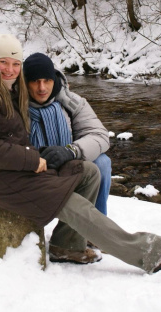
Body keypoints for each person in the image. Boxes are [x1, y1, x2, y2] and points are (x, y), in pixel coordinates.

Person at [0, 33, 161, 273]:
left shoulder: (5, 90)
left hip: (15, 170)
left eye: (15, 64)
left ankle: (66, 246)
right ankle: (148, 252)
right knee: (72, 203)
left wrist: (53, 153)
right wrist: (32, 158)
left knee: (89, 171)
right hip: (2, 180)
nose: (10, 69)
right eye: (3, 62)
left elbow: (10, 138)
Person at [23, 52, 112, 216]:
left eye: (47, 80)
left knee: (102, 162)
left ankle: (96, 225)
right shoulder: (15, 107)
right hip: (32, 174)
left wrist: (70, 151)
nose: (42, 88)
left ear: (54, 80)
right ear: (25, 83)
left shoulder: (71, 103)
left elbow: (99, 135)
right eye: (35, 81)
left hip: (68, 168)